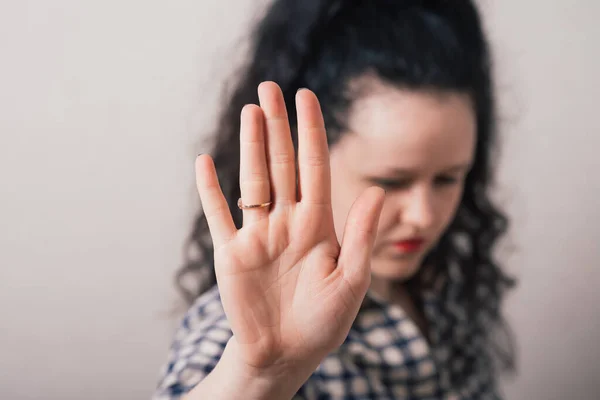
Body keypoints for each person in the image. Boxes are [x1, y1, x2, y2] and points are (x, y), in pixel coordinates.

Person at [154, 0, 516, 398]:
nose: (423, 217)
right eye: (391, 181)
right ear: (302, 159)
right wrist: (259, 374)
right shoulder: (242, 330)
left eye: (447, 179)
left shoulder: (445, 287)